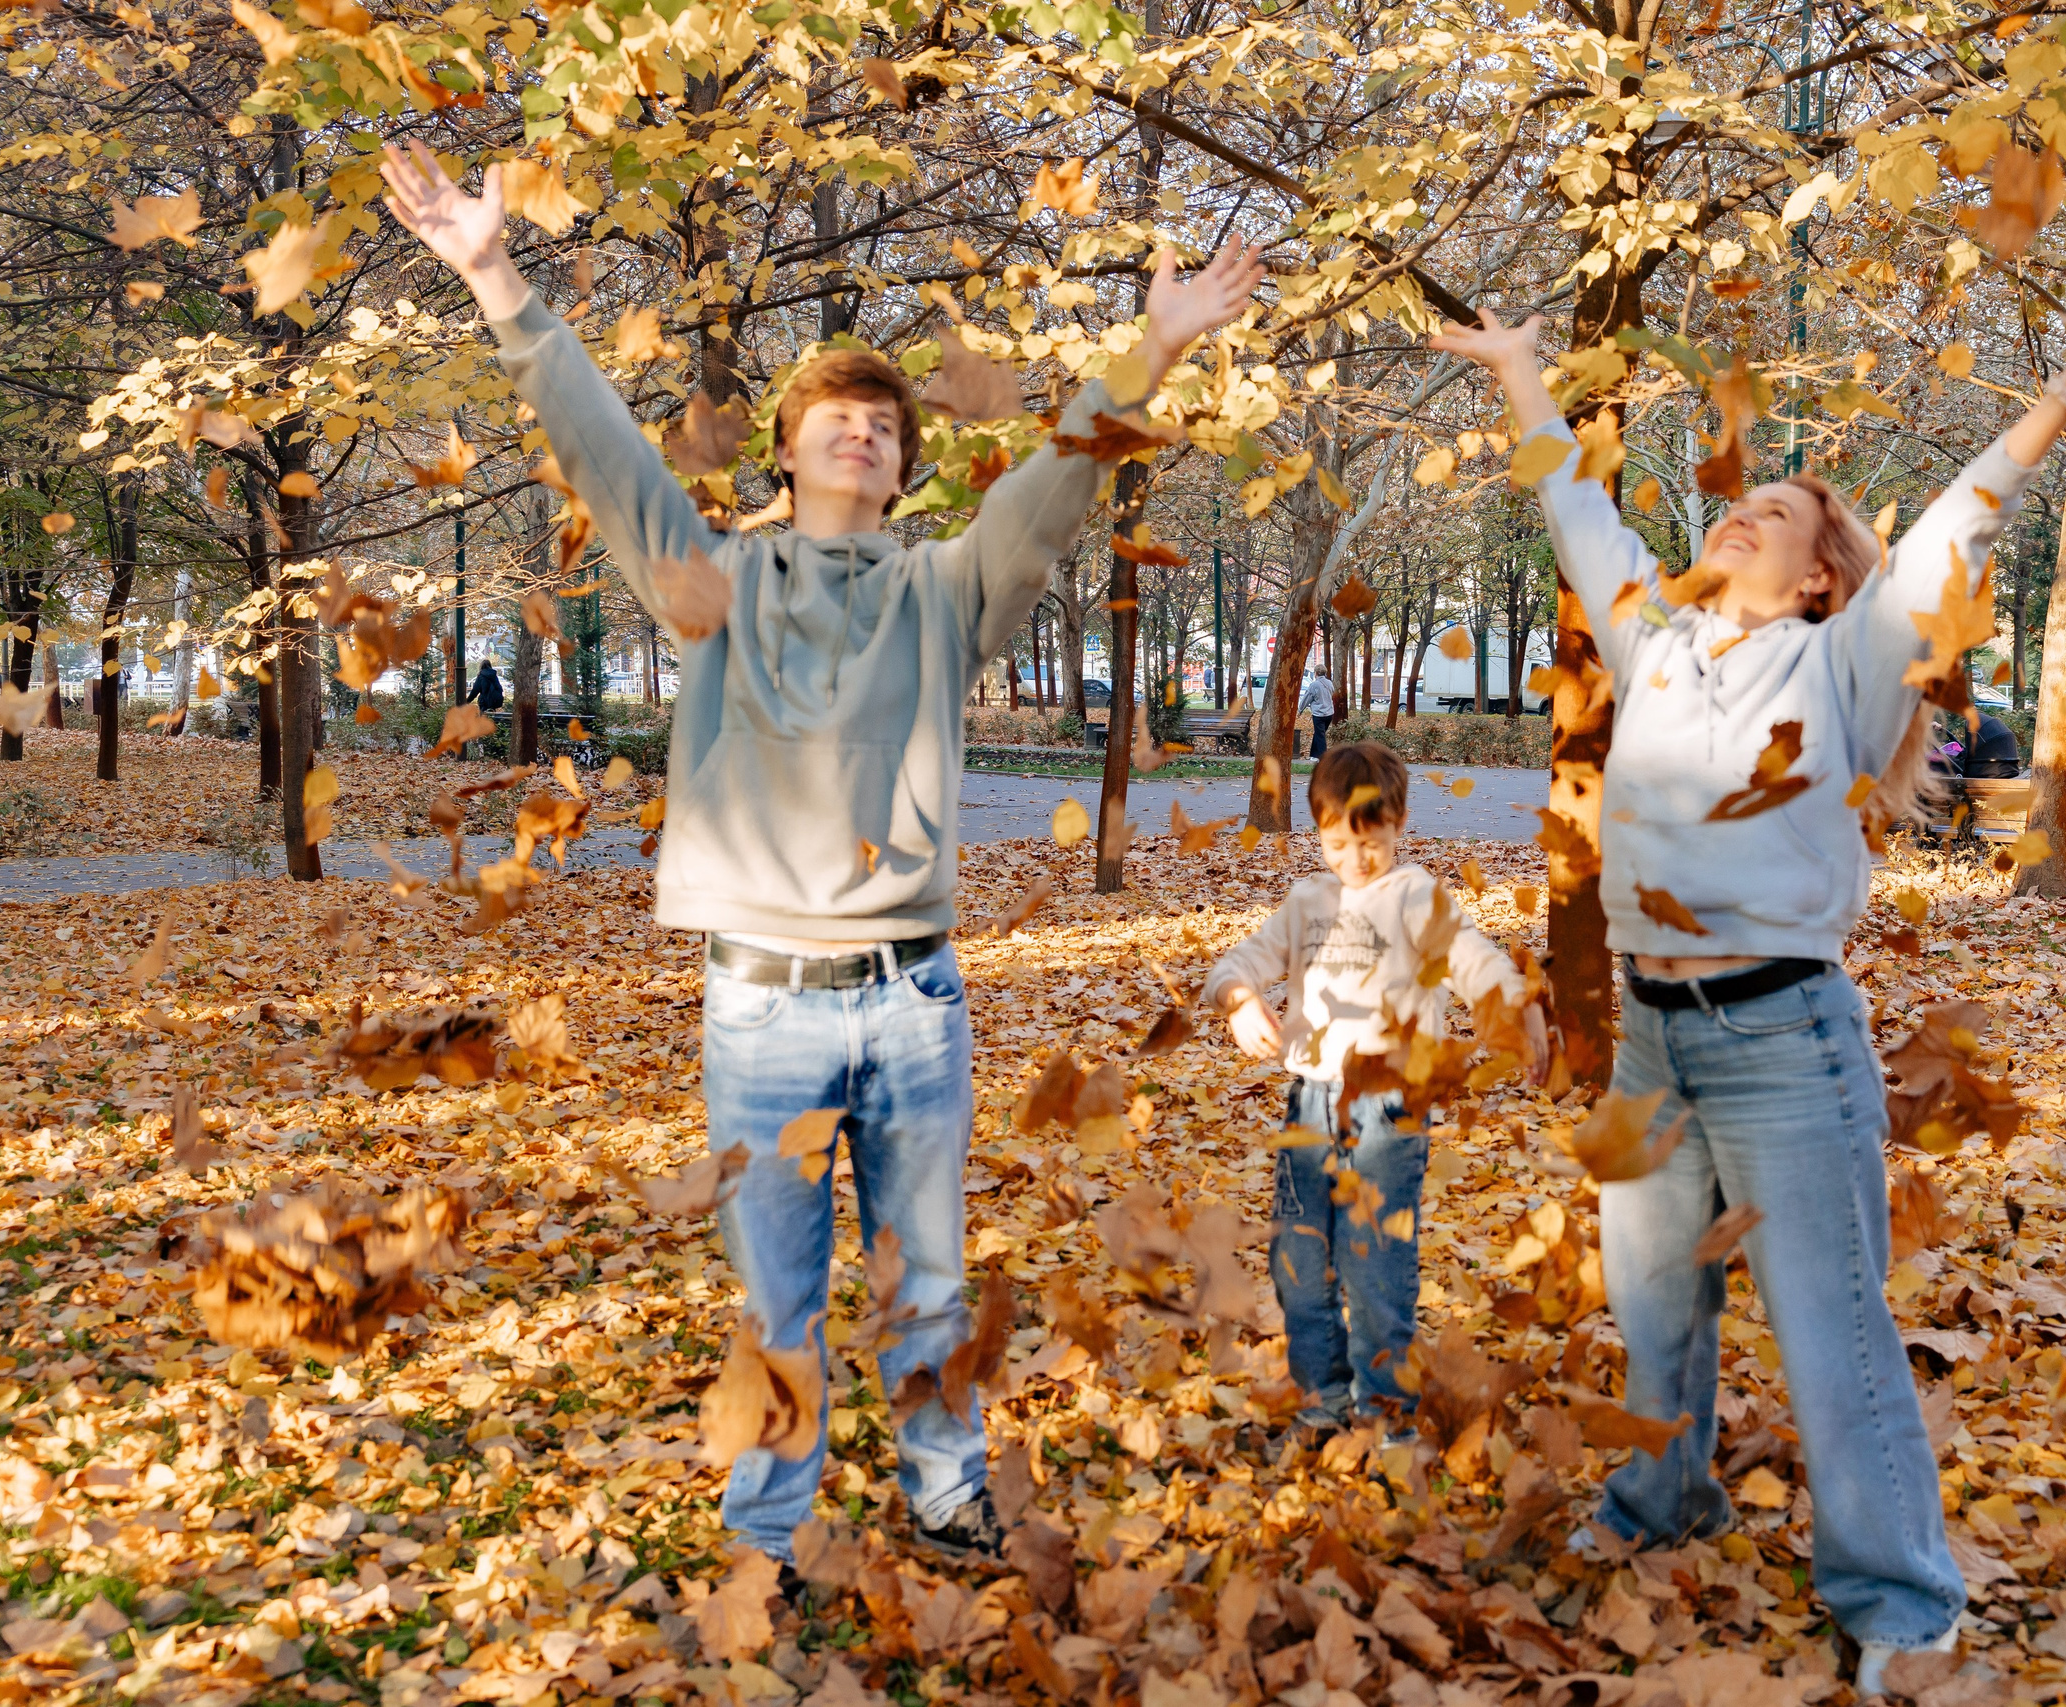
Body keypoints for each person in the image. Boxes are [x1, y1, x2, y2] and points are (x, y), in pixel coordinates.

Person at [380, 137, 1262, 1565]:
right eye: (831, 416)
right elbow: (604, 451)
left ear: (906, 465)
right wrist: (495, 276)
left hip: (915, 998)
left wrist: (1150, 349)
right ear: (786, 447)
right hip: (765, 1007)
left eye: (882, 423)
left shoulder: (944, 591)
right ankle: (767, 1535)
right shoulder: (712, 577)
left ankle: (946, 1492)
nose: (859, 431)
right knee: (777, 1293)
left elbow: (1052, 484)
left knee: (927, 1279)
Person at [1432, 306, 2066, 1694]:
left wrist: (2063, 385)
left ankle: (1904, 1600)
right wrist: (1514, 371)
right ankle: (1663, 1498)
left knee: (1831, 1329)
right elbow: (1578, 512)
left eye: (1777, 514)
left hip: (1785, 1042)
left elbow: (1944, 543)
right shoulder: (1656, 649)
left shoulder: (1842, 667)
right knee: (1654, 1306)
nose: (1741, 517)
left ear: (1818, 579)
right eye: (1740, 506)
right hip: (1654, 1043)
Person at [1203, 742, 1547, 1434]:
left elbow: (1472, 958)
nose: (1356, 858)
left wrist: (1518, 1004)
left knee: (1376, 1267)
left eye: (1372, 839)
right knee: (1299, 1261)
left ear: (1400, 823)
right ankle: (1322, 1401)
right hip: (1311, 1103)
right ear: (1319, 830)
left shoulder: (1414, 896)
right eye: (1338, 842)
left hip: (1389, 1109)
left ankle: (1387, 1414)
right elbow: (1242, 960)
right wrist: (1239, 998)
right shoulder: (1307, 902)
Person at [1299, 664, 1335, 758]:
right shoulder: (1329, 683)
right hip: (1329, 714)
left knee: (1320, 736)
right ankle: (1314, 755)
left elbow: (1306, 698)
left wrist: (1300, 710)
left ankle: (1323, 757)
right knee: (1319, 733)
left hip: (1319, 714)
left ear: (1316, 673)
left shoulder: (1314, 685)